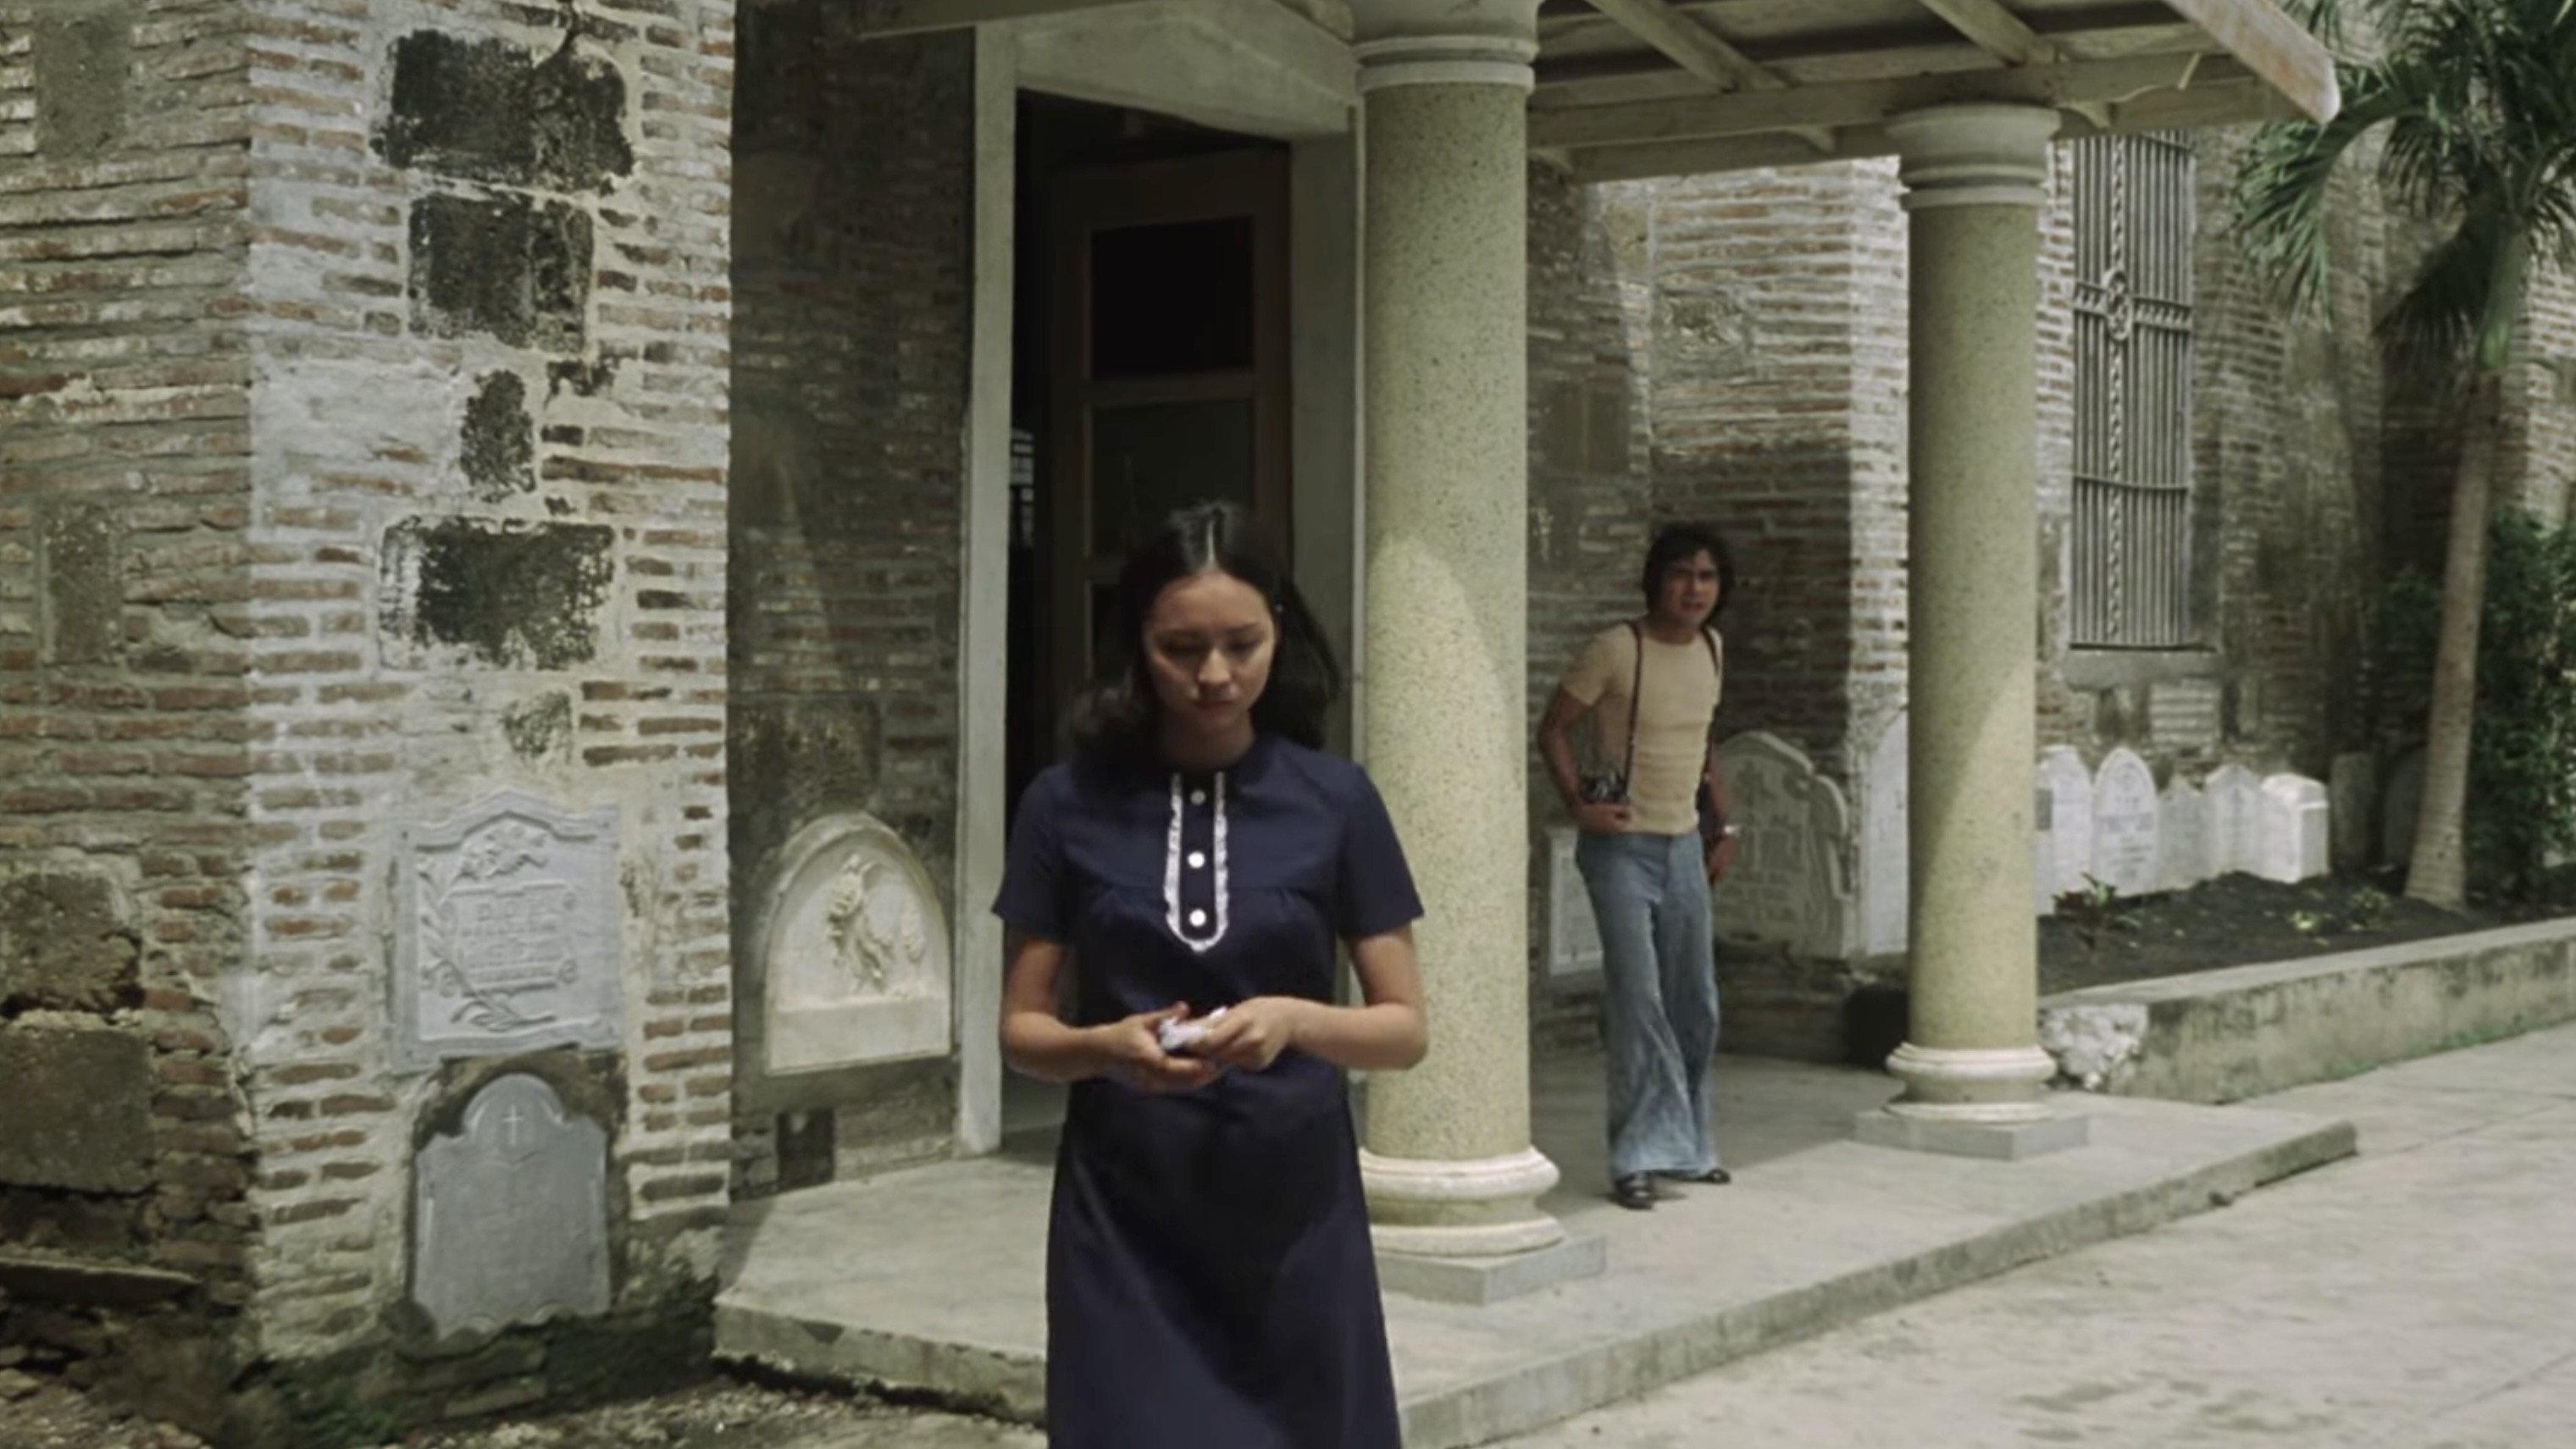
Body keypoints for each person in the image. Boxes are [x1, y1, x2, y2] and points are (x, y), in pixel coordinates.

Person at [993, 500, 1429, 1449]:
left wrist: (1294, 1020)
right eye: (1181, 648)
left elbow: (1402, 1029)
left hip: (1293, 1207)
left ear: (1281, 633)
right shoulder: (1063, 805)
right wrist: (1104, 1049)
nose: (1215, 675)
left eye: (1243, 643)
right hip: (1126, 1208)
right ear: (1135, 645)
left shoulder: (1337, 800)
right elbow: (1022, 1032)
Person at [1535, 523, 1739, 1212]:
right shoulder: (1617, 649)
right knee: (1637, 999)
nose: (1693, 589)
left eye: (1706, 576)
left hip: (1683, 846)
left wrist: (1723, 826)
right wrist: (1578, 804)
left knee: (1694, 1000)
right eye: (1681, 574)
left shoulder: (1711, 648)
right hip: (1622, 849)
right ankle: (1634, 1157)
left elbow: (1704, 743)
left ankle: (1690, 1146)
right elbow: (1553, 727)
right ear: (1656, 579)